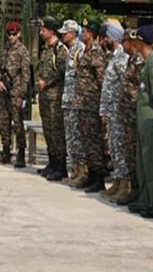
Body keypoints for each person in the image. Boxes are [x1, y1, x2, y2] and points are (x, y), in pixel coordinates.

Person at [127, 25, 153, 219]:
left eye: (135, 41)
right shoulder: (146, 63)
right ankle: (145, 200)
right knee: (142, 162)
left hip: (150, 119)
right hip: (143, 118)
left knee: (151, 162)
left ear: (141, 42)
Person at [74, 18, 108, 192]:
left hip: (92, 103)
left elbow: (101, 79)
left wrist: (102, 105)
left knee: (94, 141)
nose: (83, 33)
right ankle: (90, 174)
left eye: (86, 31)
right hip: (83, 103)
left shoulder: (96, 52)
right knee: (87, 140)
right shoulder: (84, 50)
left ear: (92, 34)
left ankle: (98, 177)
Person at [100, 21, 129, 200]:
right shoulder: (112, 57)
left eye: (107, 37)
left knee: (120, 147)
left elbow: (125, 84)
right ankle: (118, 180)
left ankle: (125, 184)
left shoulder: (122, 57)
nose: (104, 40)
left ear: (114, 38)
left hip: (118, 110)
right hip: (111, 111)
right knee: (113, 147)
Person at [36, 16, 68, 181]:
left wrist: (46, 82)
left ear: (52, 31)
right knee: (48, 131)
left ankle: (61, 166)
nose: (41, 33)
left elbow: (62, 70)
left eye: (44, 30)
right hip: (44, 96)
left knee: (56, 132)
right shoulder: (45, 49)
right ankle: (52, 163)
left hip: (55, 97)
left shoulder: (60, 49)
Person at [0, 21, 30, 167]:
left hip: (15, 92)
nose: (11, 37)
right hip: (4, 93)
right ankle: (6, 152)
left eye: (14, 34)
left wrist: (20, 94)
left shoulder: (23, 51)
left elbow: (26, 76)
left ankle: (21, 153)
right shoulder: (5, 50)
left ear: (19, 34)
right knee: (4, 123)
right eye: (9, 34)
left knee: (18, 124)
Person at [114, 31, 143, 206]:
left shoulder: (139, 61)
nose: (121, 44)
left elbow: (141, 88)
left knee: (135, 154)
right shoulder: (130, 60)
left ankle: (138, 190)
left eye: (123, 41)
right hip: (126, 114)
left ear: (130, 42)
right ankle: (134, 189)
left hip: (134, 114)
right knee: (129, 154)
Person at [60, 19, 85, 186]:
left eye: (66, 32)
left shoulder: (80, 50)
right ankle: (75, 170)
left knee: (77, 137)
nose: (63, 35)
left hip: (76, 101)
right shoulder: (70, 50)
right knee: (70, 138)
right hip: (68, 100)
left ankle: (82, 171)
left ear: (73, 33)